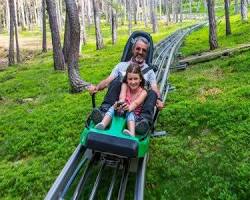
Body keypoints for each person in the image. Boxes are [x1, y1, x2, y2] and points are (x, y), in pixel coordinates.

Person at [87, 36, 164, 134]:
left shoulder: (149, 72)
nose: (140, 52)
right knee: (115, 82)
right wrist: (96, 88)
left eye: (144, 50)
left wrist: (159, 100)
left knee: (152, 93)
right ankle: (104, 112)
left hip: (137, 105)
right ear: (133, 49)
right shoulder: (121, 66)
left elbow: (154, 88)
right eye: (138, 49)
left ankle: (142, 122)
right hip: (119, 103)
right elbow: (108, 81)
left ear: (146, 53)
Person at [95, 63, 147, 136]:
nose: (133, 82)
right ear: (127, 79)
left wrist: (128, 108)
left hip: (134, 115)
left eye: (135, 79)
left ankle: (132, 133)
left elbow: (136, 103)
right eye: (130, 79)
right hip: (121, 110)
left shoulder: (143, 92)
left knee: (130, 114)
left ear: (140, 79)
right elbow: (122, 97)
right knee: (112, 107)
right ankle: (103, 124)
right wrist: (119, 104)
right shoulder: (125, 85)